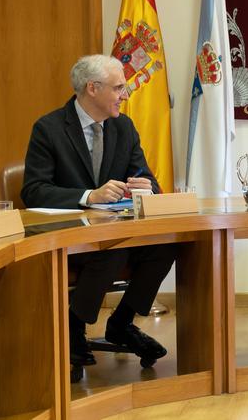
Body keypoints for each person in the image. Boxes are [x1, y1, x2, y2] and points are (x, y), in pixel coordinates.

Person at [21, 55, 177, 370]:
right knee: (113, 247)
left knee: (167, 242)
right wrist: (89, 196)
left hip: (112, 234)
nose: (126, 94)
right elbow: (33, 191)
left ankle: (121, 323)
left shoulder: (124, 126)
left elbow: (150, 181)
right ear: (92, 88)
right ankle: (74, 328)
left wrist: (145, 188)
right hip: (70, 239)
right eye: (119, 87)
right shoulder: (49, 128)